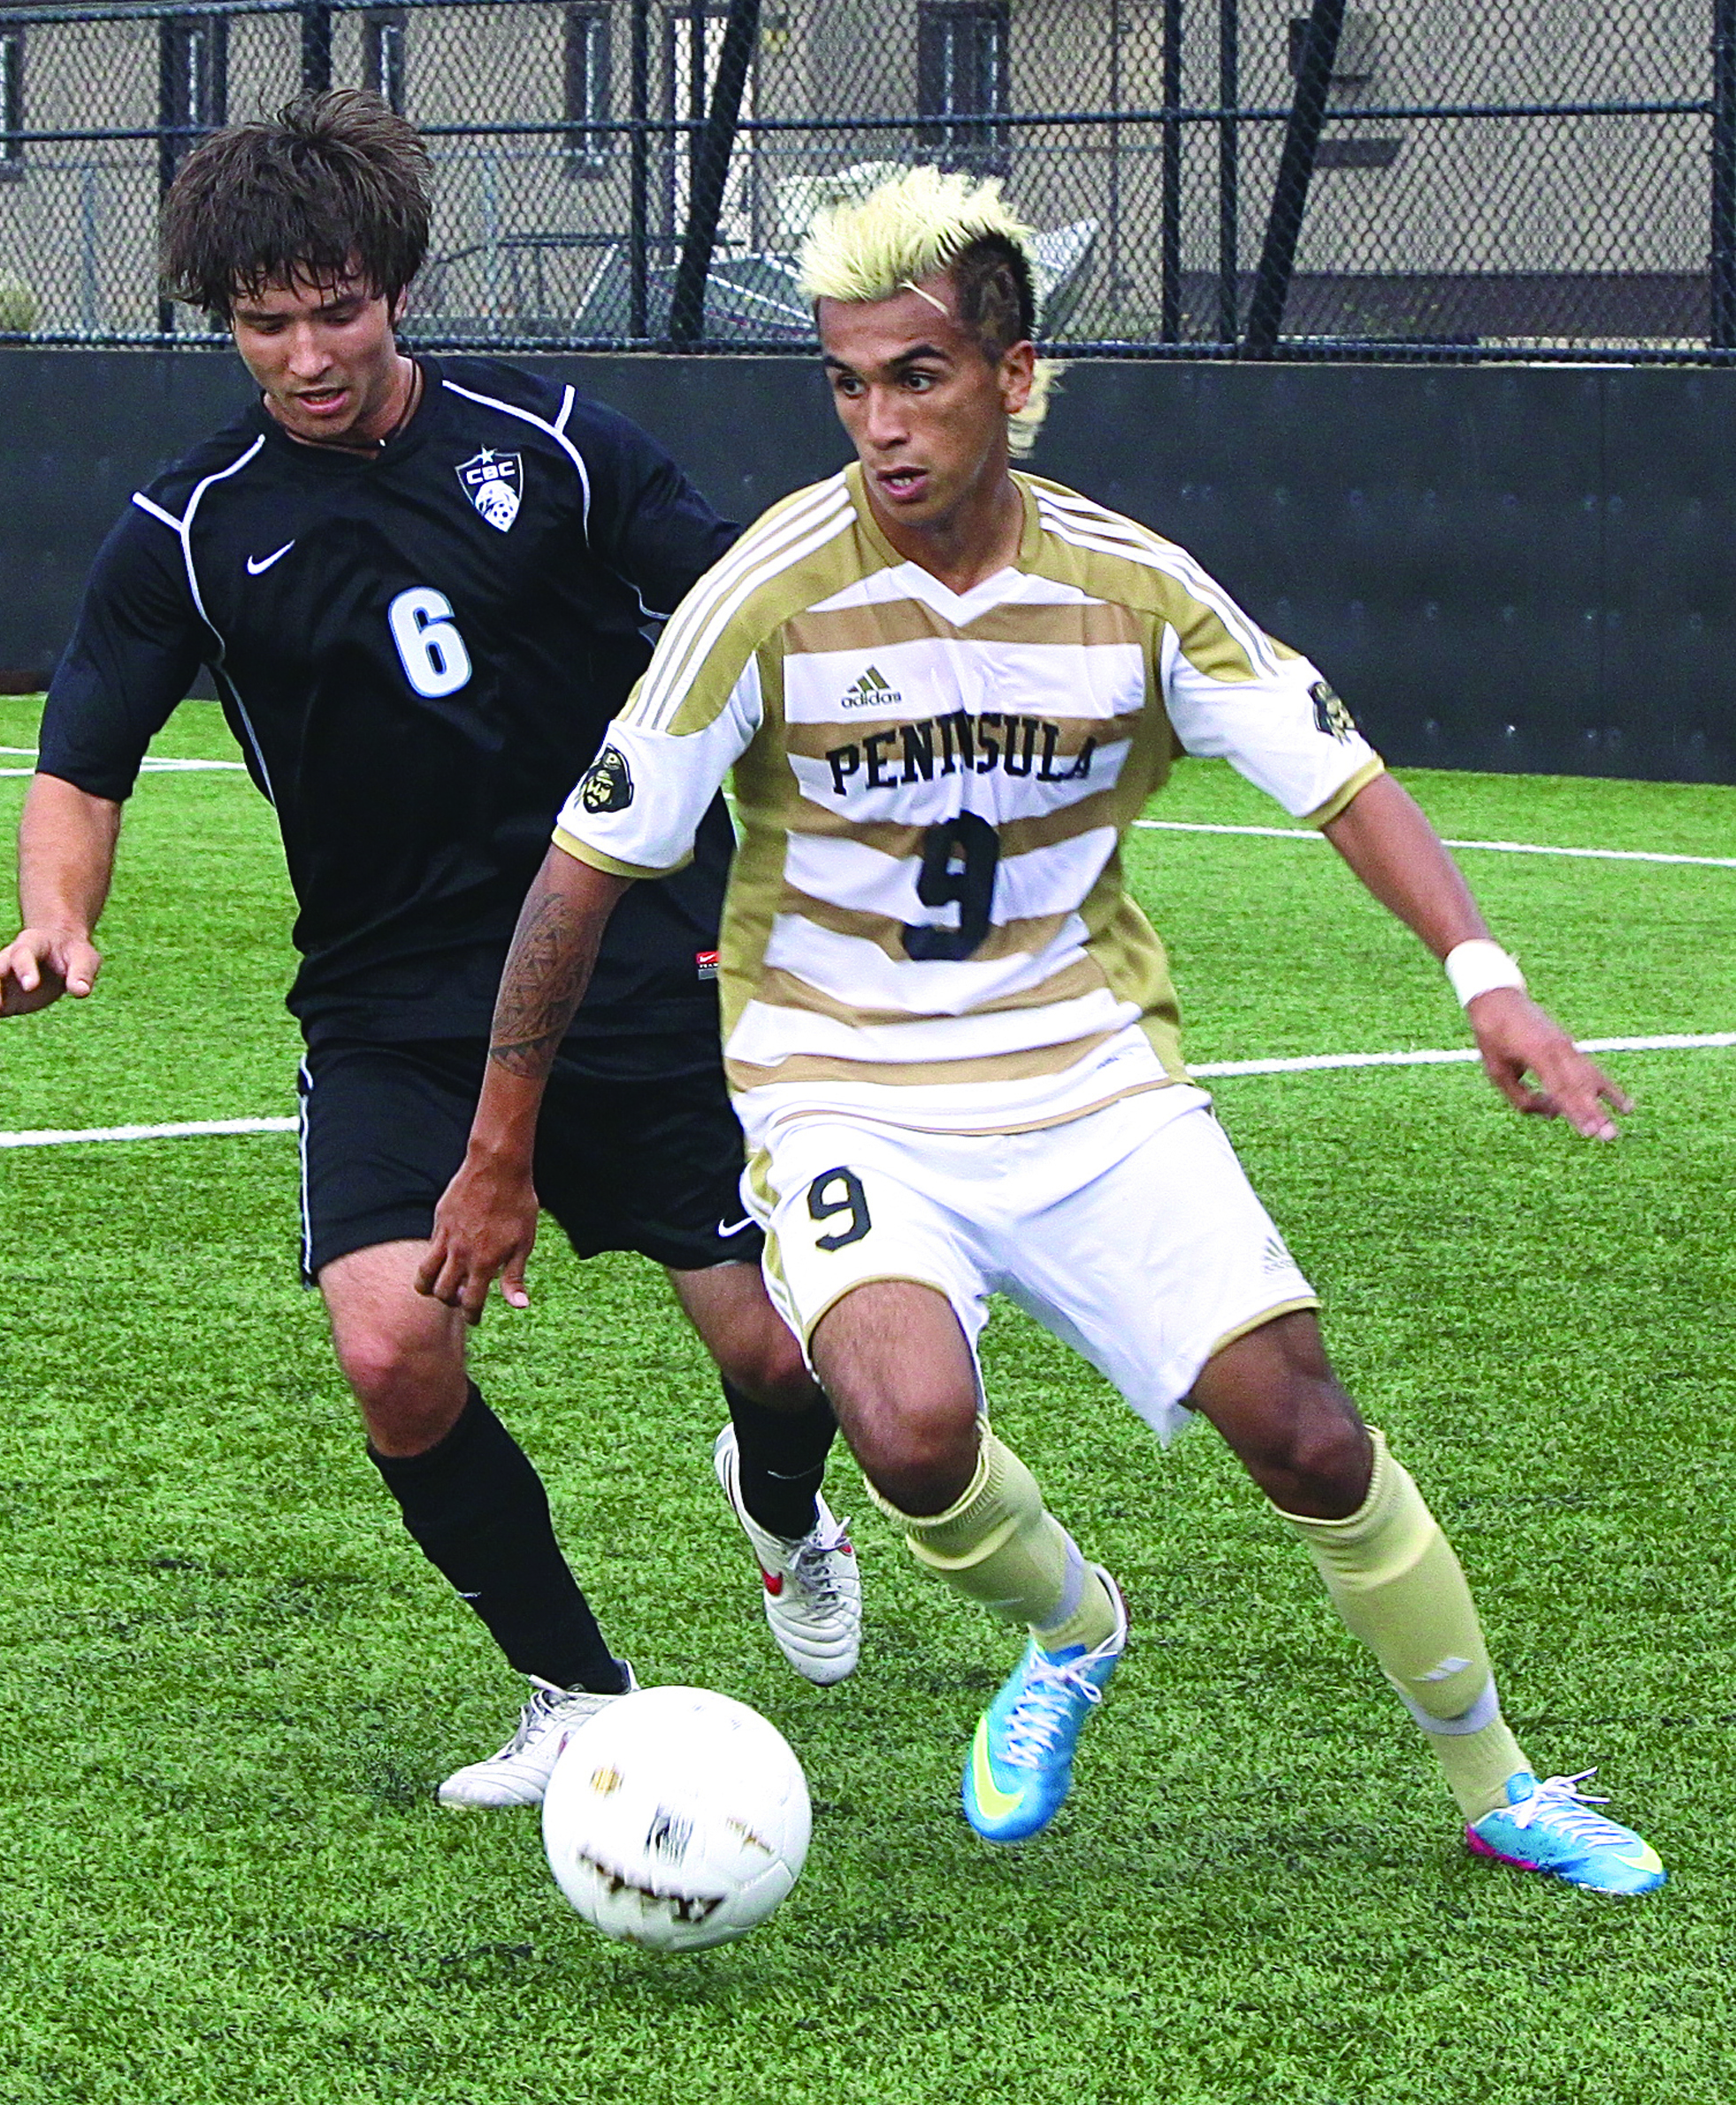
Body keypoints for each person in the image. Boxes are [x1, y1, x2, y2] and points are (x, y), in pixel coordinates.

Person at [418, 165, 1665, 1893]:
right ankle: (1071, 1630)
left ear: (1013, 376)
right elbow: (580, 875)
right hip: (846, 1093)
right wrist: (496, 1154)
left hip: (1092, 1083)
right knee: (910, 1425)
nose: (879, 422)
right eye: (848, 383)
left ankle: (1501, 1780)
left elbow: (1341, 774)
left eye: (916, 376)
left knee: (1305, 1430)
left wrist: (1485, 977)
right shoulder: (763, 595)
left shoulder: (1132, 585)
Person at [0, 89, 860, 1810]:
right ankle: (573, 1697)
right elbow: (82, 758)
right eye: (263, 322)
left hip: (639, 956)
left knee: (773, 1353)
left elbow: (760, 615)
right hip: (390, 1004)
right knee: (387, 1344)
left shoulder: (562, 446)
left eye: (337, 310)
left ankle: (778, 1503)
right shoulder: (189, 529)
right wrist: (55, 920)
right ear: (223, 320)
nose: (304, 354)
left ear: (395, 286)